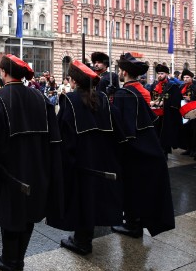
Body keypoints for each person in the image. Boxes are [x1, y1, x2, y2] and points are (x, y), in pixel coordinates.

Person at [0, 54, 63, 271]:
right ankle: (19, 258)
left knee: (10, 212)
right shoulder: (38, 96)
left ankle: (9, 260)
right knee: (29, 212)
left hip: (10, 166)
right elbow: (53, 136)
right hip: (36, 163)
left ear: (4, 72)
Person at [54, 60, 123, 255]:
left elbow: (63, 133)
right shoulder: (102, 98)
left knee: (81, 198)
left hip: (79, 159)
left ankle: (82, 241)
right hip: (101, 157)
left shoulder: (69, 100)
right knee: (92, 197)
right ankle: (84, 237)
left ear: (74, 81)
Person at [110, 53, 176, 239]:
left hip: (134, 151)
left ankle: (133, 225)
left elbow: (123, 127)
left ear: (123, 72)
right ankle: (134, 222)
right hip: (146, 147)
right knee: (138, 186)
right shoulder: (136, 92)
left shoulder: (124, 93)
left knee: (131, 186)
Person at [149, 64, 182, 154]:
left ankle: (165, 152)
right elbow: (151, 96)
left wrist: (165, 103)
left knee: (165, 133)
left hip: (167, 113)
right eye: (159, 73)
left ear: (167, 74)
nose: (160, 75)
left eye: (162, 73)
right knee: (156, 132)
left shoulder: (172, 86)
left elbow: (176, 100)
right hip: (155, 113)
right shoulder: (154, 85)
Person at [178, 69, 196, 156]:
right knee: (185, 130)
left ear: (191, 78)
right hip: (184, 109)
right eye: (184, 77)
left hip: (193, 110)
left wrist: (190, 99)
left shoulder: (195, 88)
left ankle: (194, 149)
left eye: (187, 77)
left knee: (193, 131)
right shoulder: (181, 87)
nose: (185, 79)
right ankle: (188, 148)